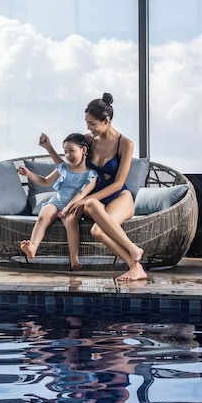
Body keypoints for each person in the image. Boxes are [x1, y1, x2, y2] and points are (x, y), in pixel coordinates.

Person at [41, 93, 146, 281]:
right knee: (94, 218)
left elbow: (118, 184)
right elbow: (68, 166)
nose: (88, 128)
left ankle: (133, 256)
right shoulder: (87, 141)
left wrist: (84, 199)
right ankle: (135, 264)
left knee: (97, 227)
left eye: (92, 124)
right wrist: (49, 148)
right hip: (94, 201)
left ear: (106, 120)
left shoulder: (125, 144)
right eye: (86, 123)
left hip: (119, 197)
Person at [17, 133, 98, 270]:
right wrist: (29, 174)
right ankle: (33, 247)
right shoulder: (63, 168)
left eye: (71, 150)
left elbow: (81, 194)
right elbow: (45, 181)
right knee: (43, 215)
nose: (68, 155)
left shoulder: (91, 174)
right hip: (56, 202)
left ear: (83, 150)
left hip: (73, 205)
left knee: (71, 222)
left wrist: (67, 208)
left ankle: (74, 259)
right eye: (65, 152)